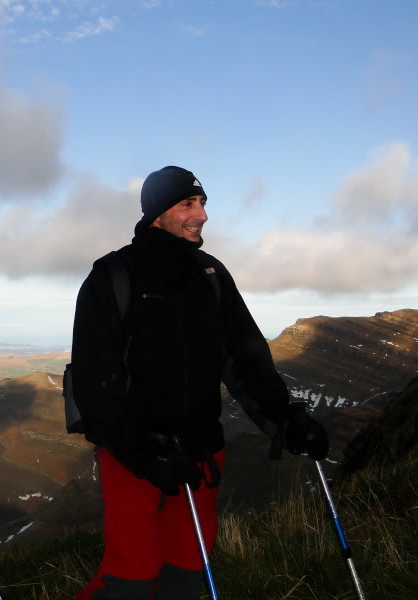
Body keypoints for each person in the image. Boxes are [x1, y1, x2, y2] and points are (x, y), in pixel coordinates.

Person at [69, 166, 328, 600]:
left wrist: (285, 419)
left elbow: (246, 358)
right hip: (135, 456)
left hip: (202, 451)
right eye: (188, 204)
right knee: (132, 578)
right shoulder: (113, 276)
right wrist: (140, 450)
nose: (202, 215)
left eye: (203, 204)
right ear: (157, 213)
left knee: (189, 576)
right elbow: (94, 381)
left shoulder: (210, 274)